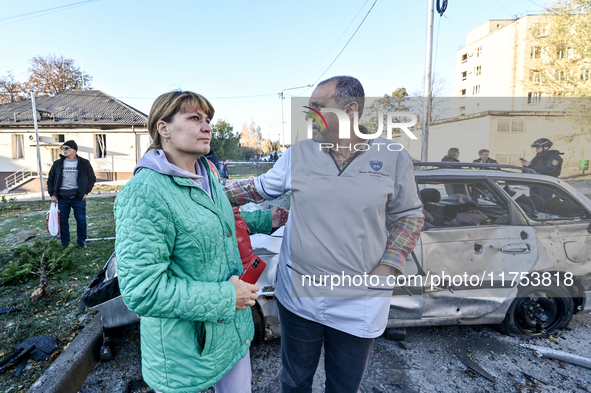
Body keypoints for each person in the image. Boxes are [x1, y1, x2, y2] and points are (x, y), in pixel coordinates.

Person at [224, 76, 424, 393]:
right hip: (299, 297)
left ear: (350, 110)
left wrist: (389, 265)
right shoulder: (298, 155)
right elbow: (254, 188)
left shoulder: (392, 157)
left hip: (359, 299)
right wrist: (199, 191)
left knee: (344, 387)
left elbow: (409, 215)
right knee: (294, 381)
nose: (309, 115)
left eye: (318, 107)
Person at [114, 91, 287, 393]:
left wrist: (265, 220)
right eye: (194, 118)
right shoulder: (145, 193)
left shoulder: (205, 173)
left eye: (207, 120)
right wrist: (225, 297)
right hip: (187, 351)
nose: (207, 127)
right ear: (163, 128)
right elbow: (142, 291)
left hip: (232, 333)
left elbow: (218, 222)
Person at [47, 140, 96, 249]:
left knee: (81, 220)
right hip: (62, 197)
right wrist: (52, 194)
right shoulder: (58, 164)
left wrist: (86, 192)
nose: (64, 150)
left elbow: (92, 178)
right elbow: (50, 179)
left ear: (74, 150)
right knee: (63, 221)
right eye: (63, 148)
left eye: (66, 148)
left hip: (78, 197)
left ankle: (81, 241)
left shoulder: (84, 163)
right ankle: (64, 242)